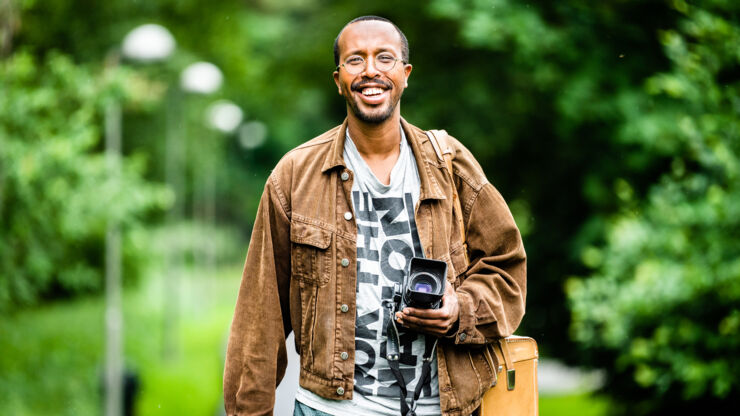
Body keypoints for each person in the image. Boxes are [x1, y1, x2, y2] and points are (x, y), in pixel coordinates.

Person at [223, 15, 526, 416]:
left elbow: (507, 272)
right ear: (337, 79)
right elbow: (259, 318)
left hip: (442, 407)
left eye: (384, 58)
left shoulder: (449, 164)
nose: (370, 71)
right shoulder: (294, 176)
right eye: (355, 60)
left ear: (405, 73)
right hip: (328, 410)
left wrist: (459, 311)